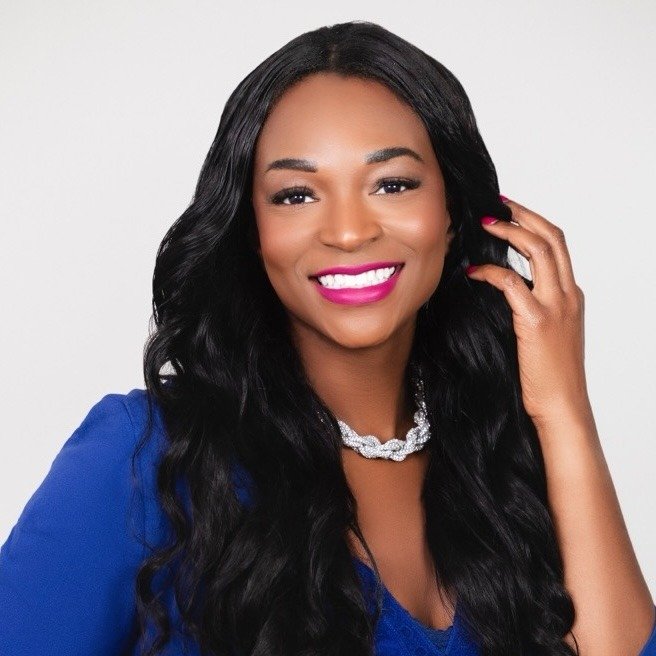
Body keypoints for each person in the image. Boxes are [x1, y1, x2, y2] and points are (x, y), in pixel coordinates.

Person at [0, 20, 654, 656]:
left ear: (453, 213)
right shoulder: (146, 456)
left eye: (392, 184)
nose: (347, 231)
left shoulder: (499, 459)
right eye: (295, 195)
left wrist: (562, 409)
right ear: (252, 231)